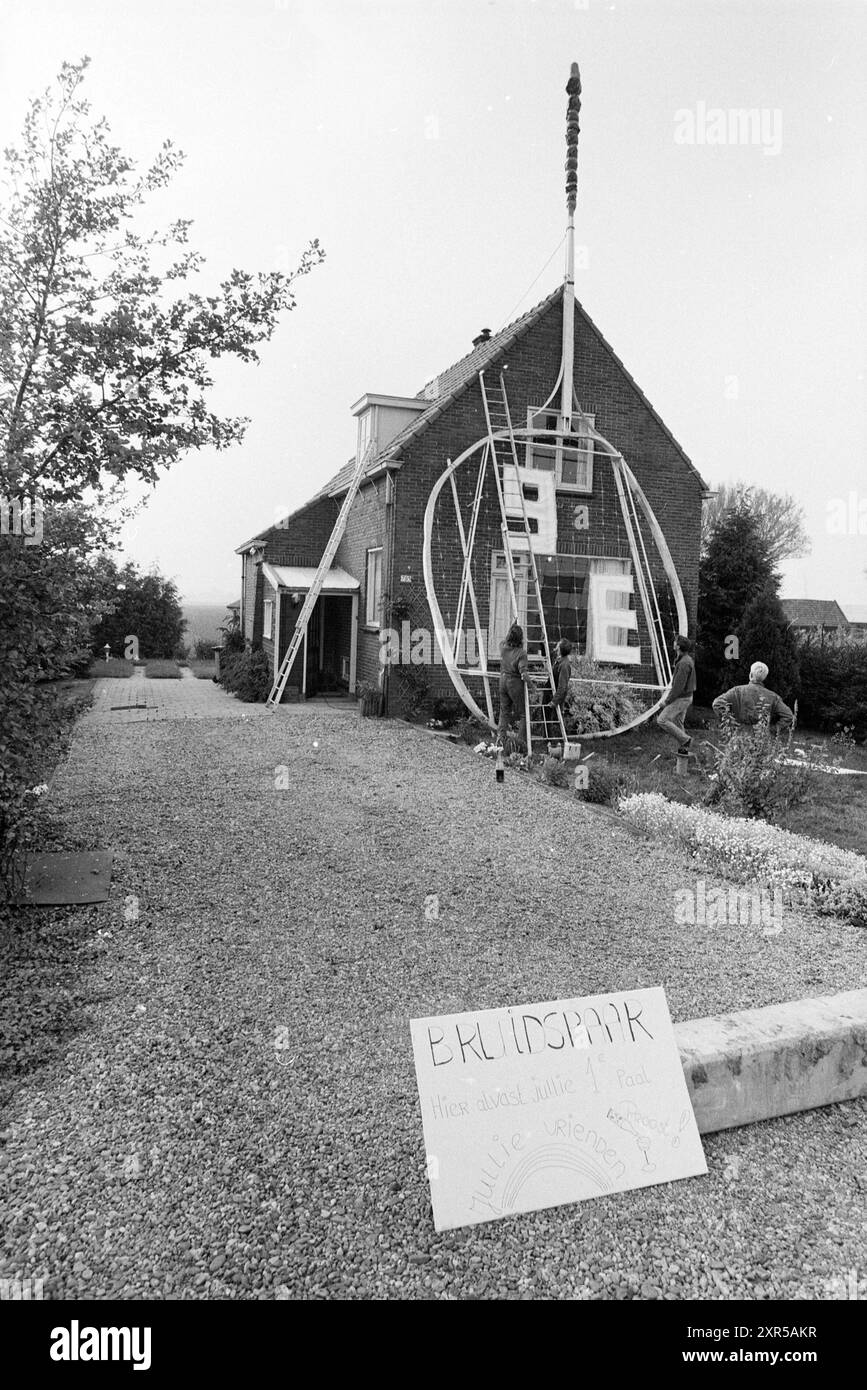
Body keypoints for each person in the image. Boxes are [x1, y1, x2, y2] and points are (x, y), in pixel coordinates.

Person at [713, 662, 794, 731]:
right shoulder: (773, 697)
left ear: (750, 675)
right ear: (764, 678)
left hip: (738, 736)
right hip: (762, 738)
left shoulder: (737, 691)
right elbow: (788, 716)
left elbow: (717, 704)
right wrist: (772, 730)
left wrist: (730, 722)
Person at [656, 634, 696, 753]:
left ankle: (686, 740)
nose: (673, 643)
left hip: (682, 698)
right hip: (686, 697)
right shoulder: (686, 659)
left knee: (662, 720)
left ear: (678, 646)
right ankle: (684, 750)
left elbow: (678, 688)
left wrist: (666, 702)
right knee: (678, 722)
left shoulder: (684, 663)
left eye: (675, 642)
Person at [497, 623, 531, 750]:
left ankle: (500, 741)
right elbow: (524, 673)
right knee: (524, 714)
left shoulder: (503, 648)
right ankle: (520, 743)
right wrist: (532, 686)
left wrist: (511, 627)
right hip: (514, 683)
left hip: (502, 680)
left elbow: (504, 640)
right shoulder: (521, 653)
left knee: (504, 712)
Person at [544, 638, 573, 740]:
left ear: (560, 649)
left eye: (557, 646)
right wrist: (542, 641)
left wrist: (554, 701)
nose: (555, 648)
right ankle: (547, 740)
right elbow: (546, 655)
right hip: (549, 692)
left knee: (555, 720)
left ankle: (555, 742)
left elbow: (562, 687)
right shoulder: (559, 660)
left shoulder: (564, 665)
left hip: (554, 695)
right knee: (546, 718)